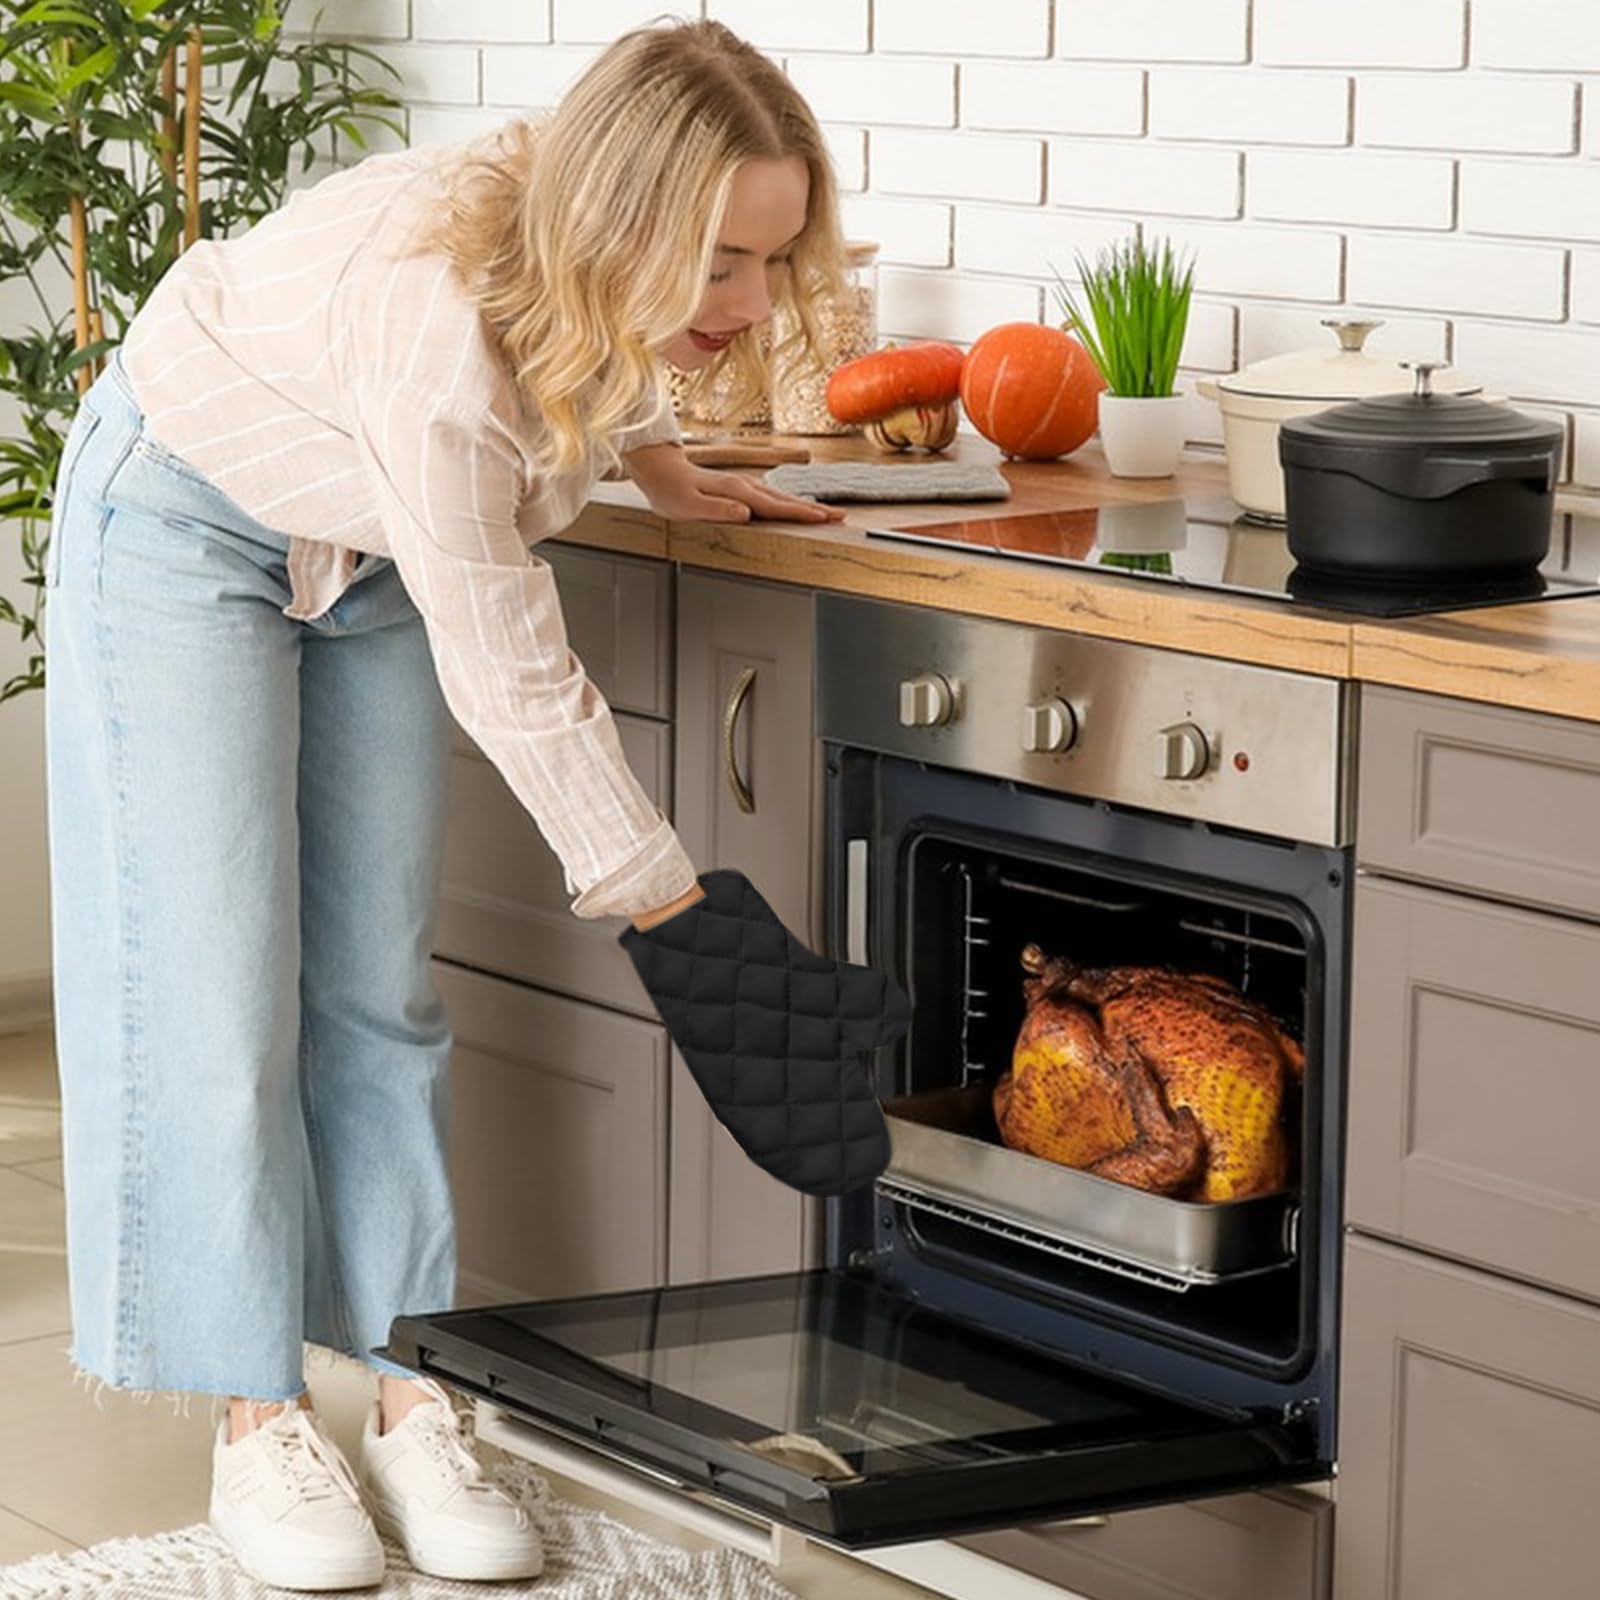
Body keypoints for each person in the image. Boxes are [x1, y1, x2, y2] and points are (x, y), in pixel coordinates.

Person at [43, 19, 853, 1591]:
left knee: (380, 989)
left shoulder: (576, 258)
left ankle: (417, 1387)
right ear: (626, 218)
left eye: (771, 258)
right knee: (218, 997)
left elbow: (590, 349)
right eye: (724, 262)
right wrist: (696, 935)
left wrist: (667, 464)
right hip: (186, 517)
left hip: (376, 543)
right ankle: (257, 1419)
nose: (753, 303)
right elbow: (520, 677)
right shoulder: (436, 335)